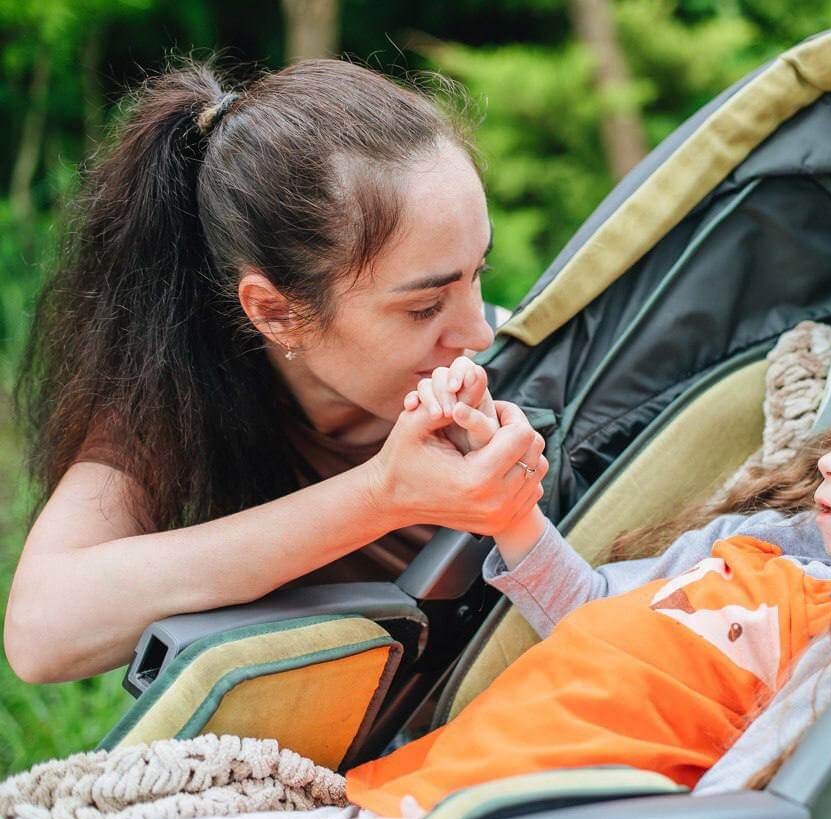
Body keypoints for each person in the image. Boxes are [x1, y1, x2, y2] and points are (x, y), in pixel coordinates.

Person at [49, 295, 831, 819]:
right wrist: (515, 514)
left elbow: (727, 800)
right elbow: (593, 610)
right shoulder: (752, 545)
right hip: (413, 789)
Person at [4, 59, 548, 684]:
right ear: (275, 313)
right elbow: (42, 633)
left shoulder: (527, 373)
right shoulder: (179, 397)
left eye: (477, 274)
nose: (479, 333)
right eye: (424, 307)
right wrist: (383, 496)